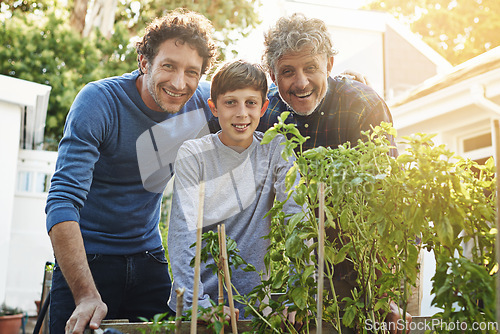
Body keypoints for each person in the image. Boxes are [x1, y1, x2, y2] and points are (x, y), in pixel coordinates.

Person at [44, 9, 218, 334]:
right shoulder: (98, 103)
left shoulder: (203, 102)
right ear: (144, 62)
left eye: (191, 72)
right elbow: (62, 202)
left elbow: (261, 102)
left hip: (149, 256)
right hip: (89, 259)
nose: (179, 83)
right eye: (168, 66)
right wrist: (85, 295)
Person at [256, 13, 410, 333]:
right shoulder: (263, 113)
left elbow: (384, 202)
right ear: (272, 75)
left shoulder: (361, 104)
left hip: (358, 265)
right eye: (287, 71)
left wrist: (385, 294)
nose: (300, 82)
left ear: (329, 64)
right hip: (291, 270)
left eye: (310, 67)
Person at [167, 59, 302, 321]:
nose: (242, 113)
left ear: (263, 107)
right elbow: (183, 234)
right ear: (214, 107)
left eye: (250, 103)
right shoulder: (194, 155)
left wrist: (298, 292)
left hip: (254, 308)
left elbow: (297, 218)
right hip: (201, 310)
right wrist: (199, 305)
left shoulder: (274, 149)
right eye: (231, 102)